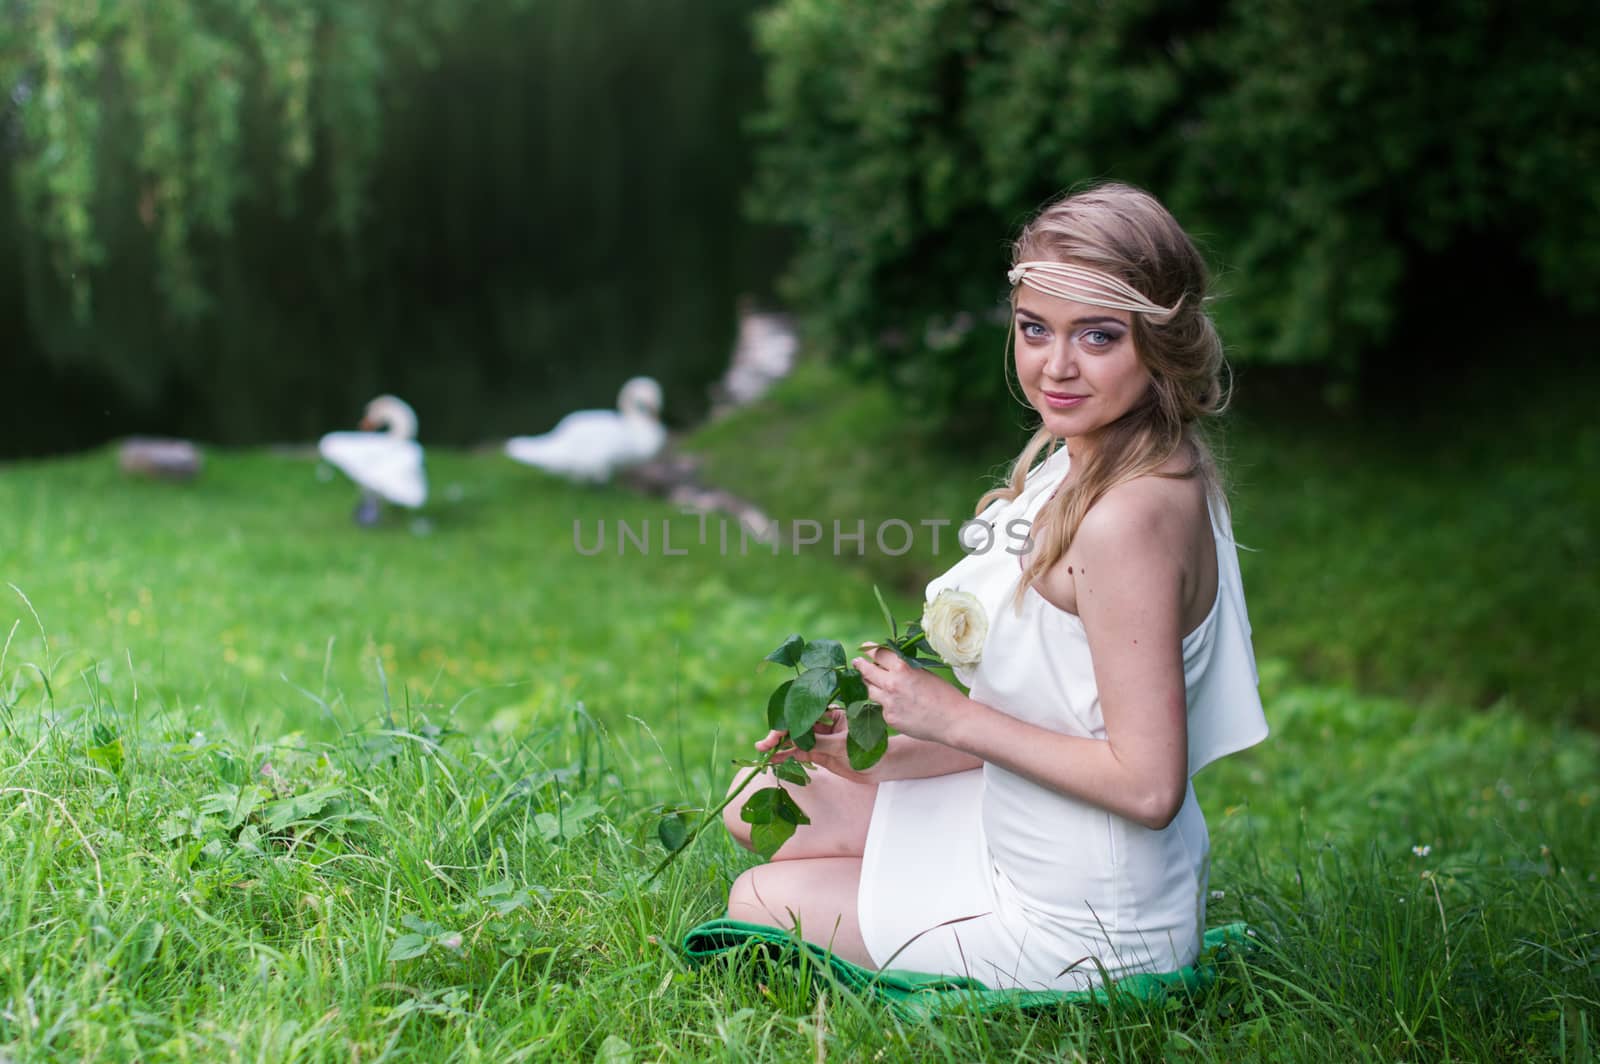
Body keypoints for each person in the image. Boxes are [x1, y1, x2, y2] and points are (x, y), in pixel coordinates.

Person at [721, 182, 1268, 989]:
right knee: (759, 794)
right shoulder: (1082, 456)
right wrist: (881, 752)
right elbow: (1056, 713)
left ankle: (989, 932)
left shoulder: (1129, 520)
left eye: (1099, 337)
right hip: (1018, 817)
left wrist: (949, 716)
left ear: (1158, 343)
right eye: (1035, 329)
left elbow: (1149, 786)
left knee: (761, 897)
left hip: (1085, 919)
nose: (1057, 366)